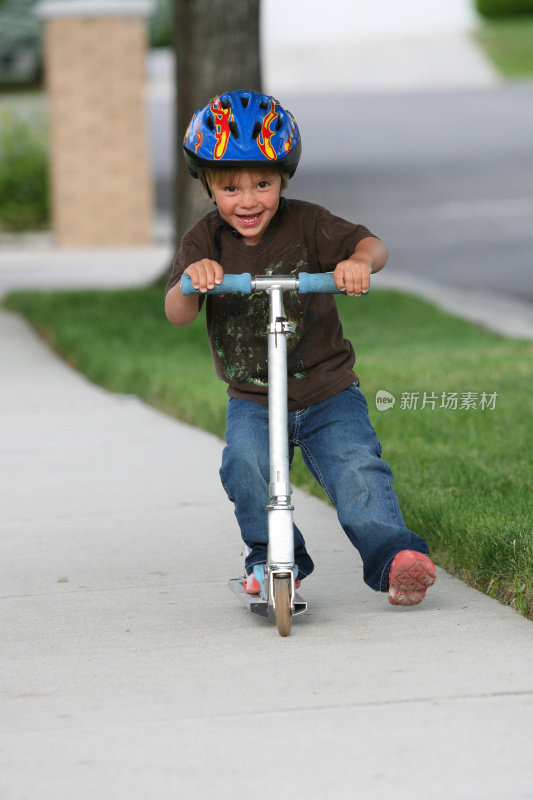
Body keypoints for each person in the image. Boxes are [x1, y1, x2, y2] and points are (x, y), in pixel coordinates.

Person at [165, 90, 436, 606]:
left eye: (263, 183)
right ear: (207, 185)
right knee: (245, 465)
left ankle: (396, 558)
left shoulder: (310, 223)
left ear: (283, 178)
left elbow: (372, 245)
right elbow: (176, 313)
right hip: (253, 396)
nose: (248, 201)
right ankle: (269, 557)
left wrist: (357, 263)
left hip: (326, 389)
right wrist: (191, 283)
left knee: (356, 467)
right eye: (230, 187)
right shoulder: (205, 241)